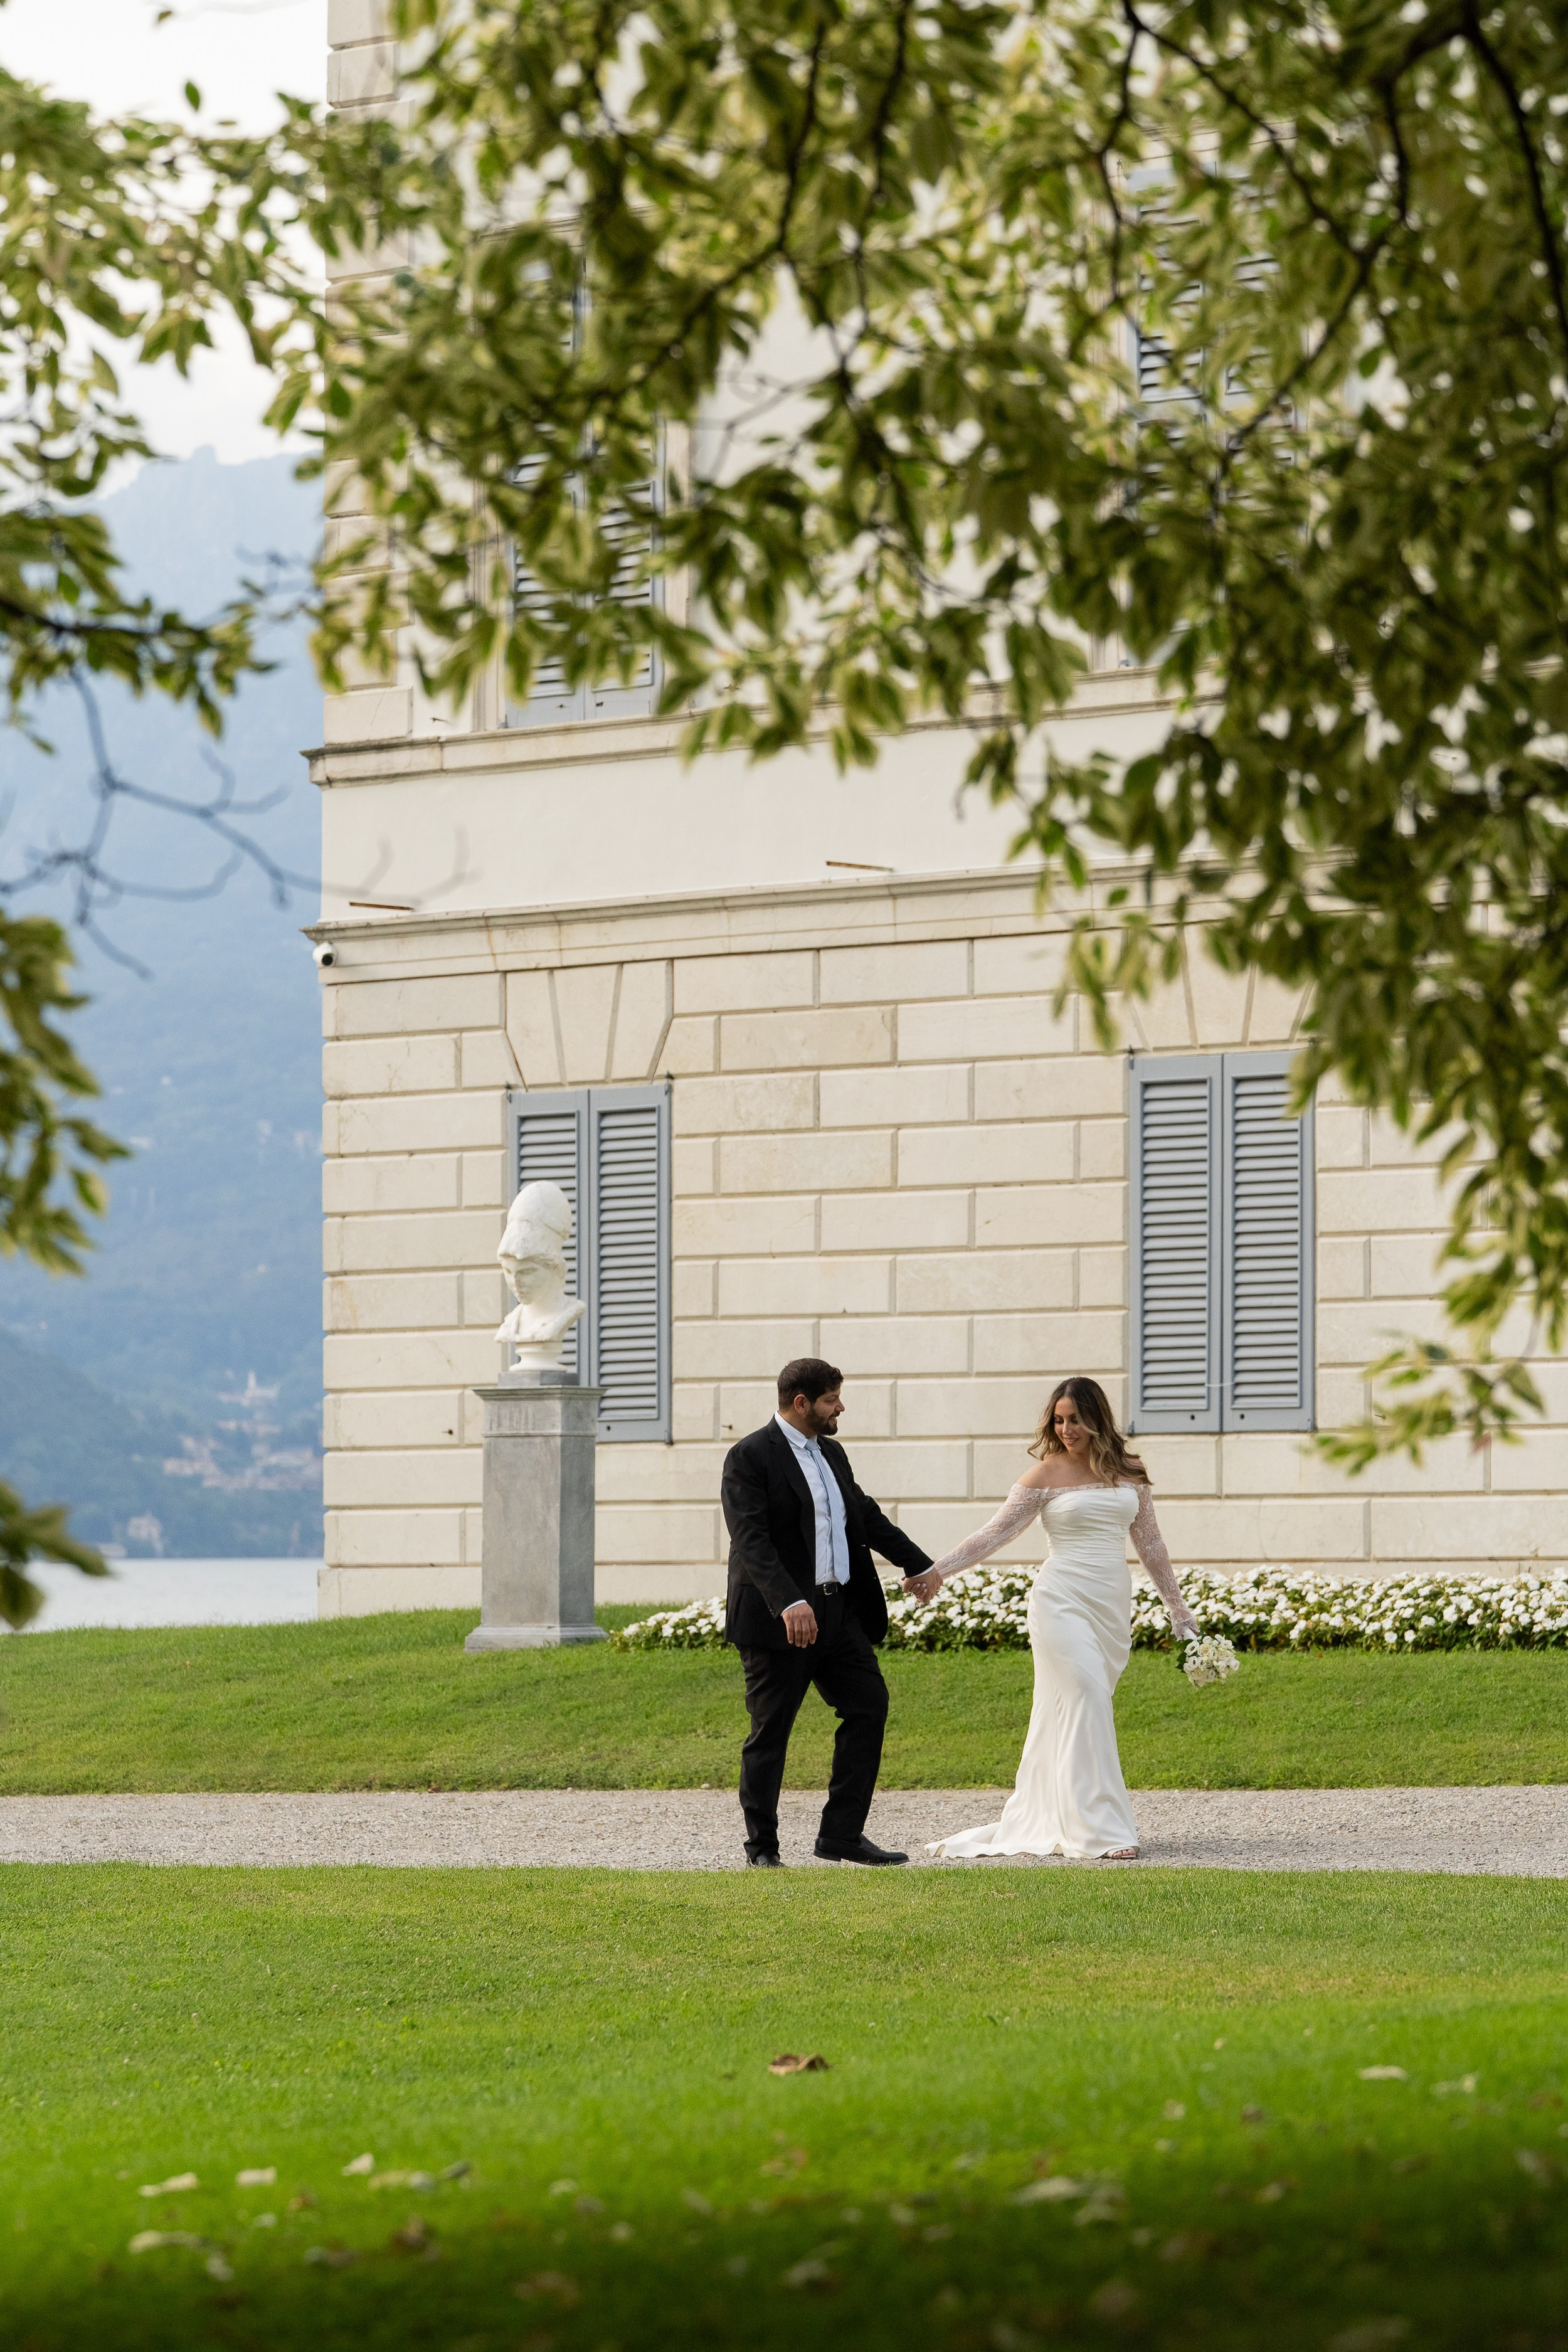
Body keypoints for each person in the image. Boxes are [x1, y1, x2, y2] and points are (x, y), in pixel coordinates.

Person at [909, 1377, 1199, 1862]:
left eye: (1075, 1419)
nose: (1066, 1429)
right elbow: (994, 1534)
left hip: (1108, 1604)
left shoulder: (1129, 1471)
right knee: (1086, 1694)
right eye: (1059, 1420)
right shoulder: (1045, 1474)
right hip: (1059, 1599)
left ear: (1097, 1419)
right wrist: (937, 1570)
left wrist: (1177, 1606)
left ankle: (1069, 1812)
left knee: (1083, 1706)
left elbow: (1150, 1542)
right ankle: (1102, 1829)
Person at [721, 1357, 935, 1868]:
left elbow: (863, 1515)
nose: (841, 1407)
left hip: (840, 1615)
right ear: (802, 1403)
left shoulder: (832, 1453)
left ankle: (840, 1836)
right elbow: (750, 1540)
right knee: (771, 1732)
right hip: (782, 1622)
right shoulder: (750, 1456)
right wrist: (789, 1601)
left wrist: (919, 1562)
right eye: (832, 1399)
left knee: (868, 1706)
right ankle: (762, 1848)